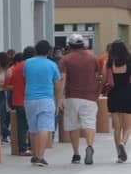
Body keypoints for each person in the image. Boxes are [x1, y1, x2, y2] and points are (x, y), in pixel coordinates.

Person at [59, 34, 99, 165]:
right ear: (83, 44)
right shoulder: (93, 58)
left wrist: (59, 98)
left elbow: (63, 80)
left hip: (71, 96)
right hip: (90, 96)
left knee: (73, 125)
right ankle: (89, 146)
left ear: (69, 45)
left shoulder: (65, 59)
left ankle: (76, 154)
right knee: (89, 123)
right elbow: (97, 76)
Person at [23, 40, 63, 167]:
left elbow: (25, 78)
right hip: (46, 99)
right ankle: (41, 156)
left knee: (33, 128)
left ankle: (35, 155)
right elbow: (57, 86)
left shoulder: (27, 63)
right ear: (49, 51)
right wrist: (58, 103)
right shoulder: (52, 65)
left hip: (30, 99)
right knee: (44, 127)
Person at [103, 40, 131, 163]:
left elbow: (104, 80)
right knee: (128, 127)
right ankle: (123, 143)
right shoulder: (129, 62)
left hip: (113, 95)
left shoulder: (108, 63)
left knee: (117, 127)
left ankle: (119, 155)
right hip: (127, 94)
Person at [5, 47, 35, 156]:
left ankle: (22, 148)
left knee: (21, 126)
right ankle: (33, 146)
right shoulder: (32, 67)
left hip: (18, 100)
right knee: (32, 125)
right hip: (31, 99)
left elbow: (10, 84)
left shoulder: (16, 68)